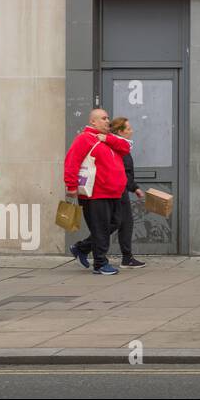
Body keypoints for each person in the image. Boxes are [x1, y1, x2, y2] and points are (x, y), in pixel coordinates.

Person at [63, 108, 133, 276]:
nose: (107, 121)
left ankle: (81, 248)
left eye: (108, 118)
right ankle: (100, 263)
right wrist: (71, 185)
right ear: (93, 121)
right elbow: (72, 162)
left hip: (113, 192)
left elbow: (125, 147)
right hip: (95, 193)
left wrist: (107, 139)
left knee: (116, 222)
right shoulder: (84, 139)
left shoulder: (108, 139)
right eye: (103, 118)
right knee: (100, 228)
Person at [107, 118, 145, 269]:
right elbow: (123, 172)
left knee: (121, 223)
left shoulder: (121, 146)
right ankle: (83, 247)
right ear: (120, 132)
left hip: (120, 189)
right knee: (118, 223)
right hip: (118, 190)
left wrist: (133, 187)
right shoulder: (119, 148)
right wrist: (134, 187)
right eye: (128, 129)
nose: (132, 131)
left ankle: (127, 257)